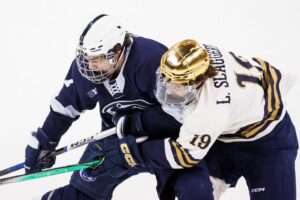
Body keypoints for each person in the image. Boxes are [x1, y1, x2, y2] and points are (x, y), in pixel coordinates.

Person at [25, 15, 213, 200]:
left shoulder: (152, 60)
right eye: (86, 57)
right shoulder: (87, 69)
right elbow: (65, 106)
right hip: (115, 140)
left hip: (165, 140)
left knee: (196, 190)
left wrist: (138, 123)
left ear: (117, 52)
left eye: (97, 58)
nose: (89, 65)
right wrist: (46, 140)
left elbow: (182, 112)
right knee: (82, 194)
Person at [97, 39, 298, 200]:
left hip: (267, 144)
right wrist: (138, 122)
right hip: (223, 135)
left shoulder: (209, 109)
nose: (169, 88)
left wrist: (131, 153)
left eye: (178, 85)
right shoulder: (193, 58)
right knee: (197, 191)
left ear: (199, 81)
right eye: (166, 78)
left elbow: (184, 154)